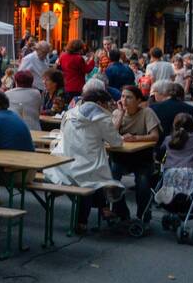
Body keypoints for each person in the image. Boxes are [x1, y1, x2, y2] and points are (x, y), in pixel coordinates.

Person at [43, 80, 130, 234]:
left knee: (94, 176)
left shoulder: (70, 113)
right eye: (106, 103)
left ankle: (99, 212)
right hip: (85, 168)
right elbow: (116, 142)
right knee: (100, 177)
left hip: (61, 165)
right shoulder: (101, 118)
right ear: (99, 103)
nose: (108, 106)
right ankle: (103, 215)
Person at [110, 85, 160, 222]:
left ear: (138, 100)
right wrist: (120, 114)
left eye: (129, 97)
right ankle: (121, 212)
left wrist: (135, 138)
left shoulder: (147, 113)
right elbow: (111, 135)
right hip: (121, 157)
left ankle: (143, 216)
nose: (125, 100)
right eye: (123, 97)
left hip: (142, 158)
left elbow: (155, 136)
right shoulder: (116, 113)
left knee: (143, 184)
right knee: (111, 181)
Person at [58, 39, 95, 104]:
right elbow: (87, 70)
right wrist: (92, 60)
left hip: (67, 85)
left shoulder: (62, 56)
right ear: (79, 48)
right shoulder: (78, 58)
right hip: (77, 86)